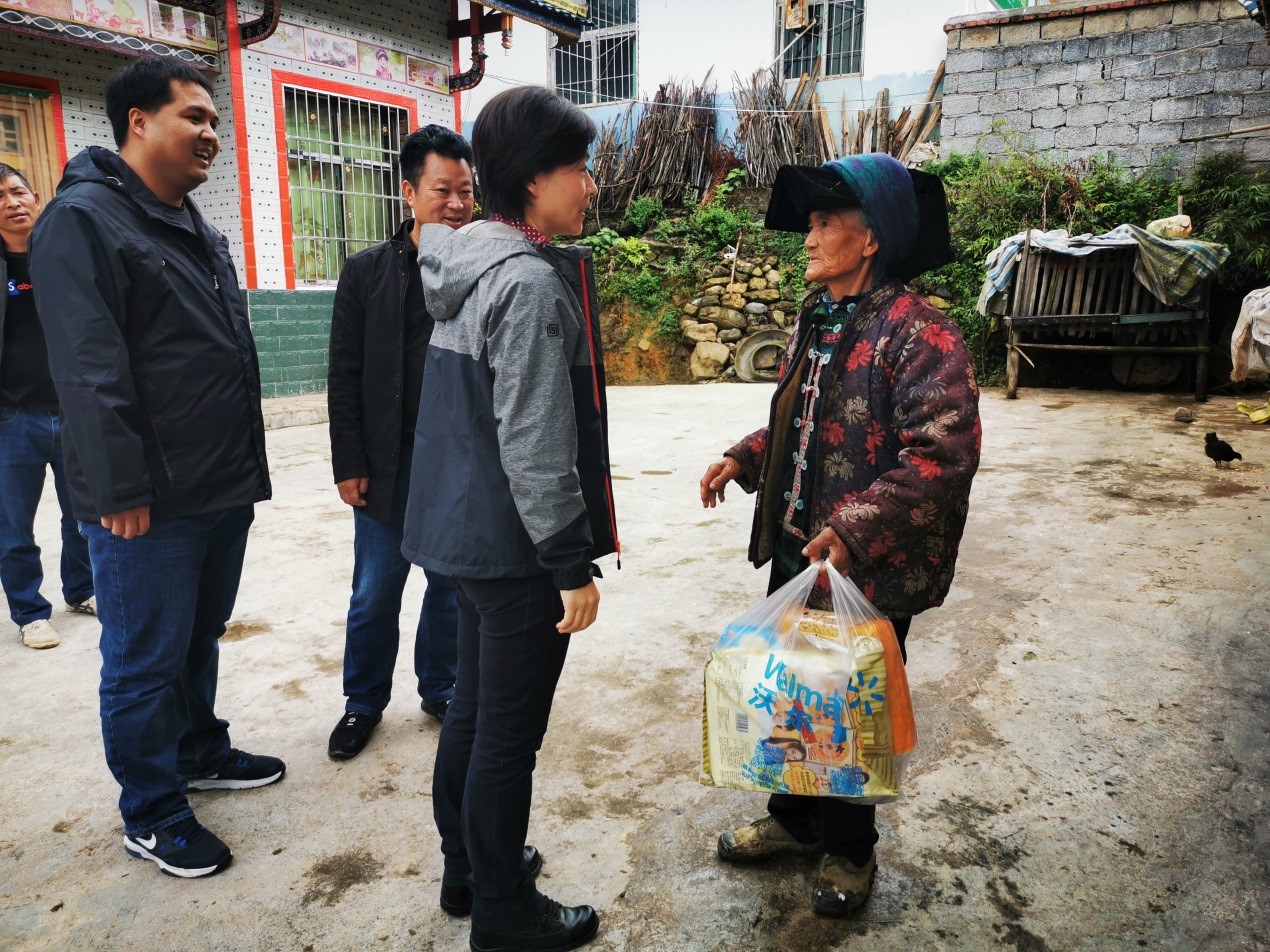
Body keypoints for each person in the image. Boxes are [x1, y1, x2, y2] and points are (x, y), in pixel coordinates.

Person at [699, 152, 981, 918]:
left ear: (872, 238)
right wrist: (745, 456)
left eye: (827, 223)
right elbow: (803, 419)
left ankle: (851, 850)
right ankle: (793, 819)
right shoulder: (817, 317)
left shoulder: (922, 335)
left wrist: (854, 530)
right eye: (811, 223)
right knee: (794, 689)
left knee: (849, 703)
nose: (810, 237)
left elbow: (942, 455)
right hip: (802, 546)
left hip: (868, 561)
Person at [30, 58, 280, 879]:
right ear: (138, 122)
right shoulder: (83, 221)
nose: (211, 134)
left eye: (215, 121)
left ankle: (198, 750)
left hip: (218, 482)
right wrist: (119, 489)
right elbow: (88, 370)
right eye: (194, 118)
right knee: (143, 658)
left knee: (196, 636)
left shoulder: (188, 220)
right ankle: (152, 809)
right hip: (148, 500)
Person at [401, 85, 619, 952]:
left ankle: (468, 868)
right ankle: (503, 912)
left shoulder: (466, 264)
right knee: (506, 738)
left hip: (465, 534)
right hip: (515, 544)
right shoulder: (524, 283)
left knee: (472, 711)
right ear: (533, 178)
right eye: (579, 168)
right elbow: (533, 439)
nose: (591, 185)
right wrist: (569, 560)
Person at [325, 124, 473, 760]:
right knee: (375, 590)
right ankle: (362, 703)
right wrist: (349, 462)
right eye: (443, 190)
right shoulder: (367, 272)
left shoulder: (481, 268)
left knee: (449, 587)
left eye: (466, 190)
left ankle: (441, 687)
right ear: (409, 192)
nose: (457, 204)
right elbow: (344, 374)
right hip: (387, 463)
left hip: (456, 463)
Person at [0, 163, 95, 650]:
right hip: (12, 418)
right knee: (13, 525)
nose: (12, 203)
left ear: (36, 197)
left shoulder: (60, 256)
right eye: (0, 198)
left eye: (18, 192)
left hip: (72, 409)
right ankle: (30, 613)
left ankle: (81, 589)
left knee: (83, 513)